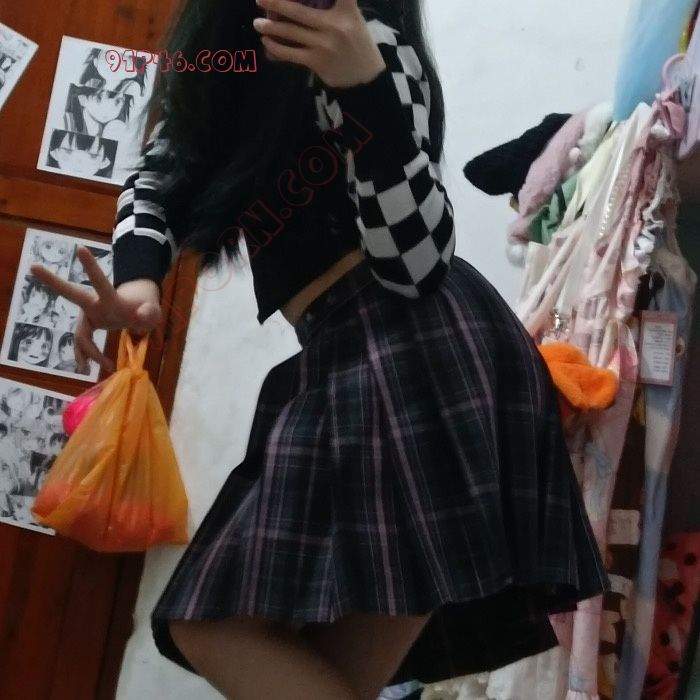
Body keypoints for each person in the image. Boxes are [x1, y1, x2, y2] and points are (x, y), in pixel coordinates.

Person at [30, 1, 609, 699]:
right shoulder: (231, 60)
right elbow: (158, 176)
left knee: (210, 626)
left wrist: (364, 85)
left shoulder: (375, 46)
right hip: (361, 349)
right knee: (331, 672)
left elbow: (416, 265)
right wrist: (139, 285)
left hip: (416, 346)